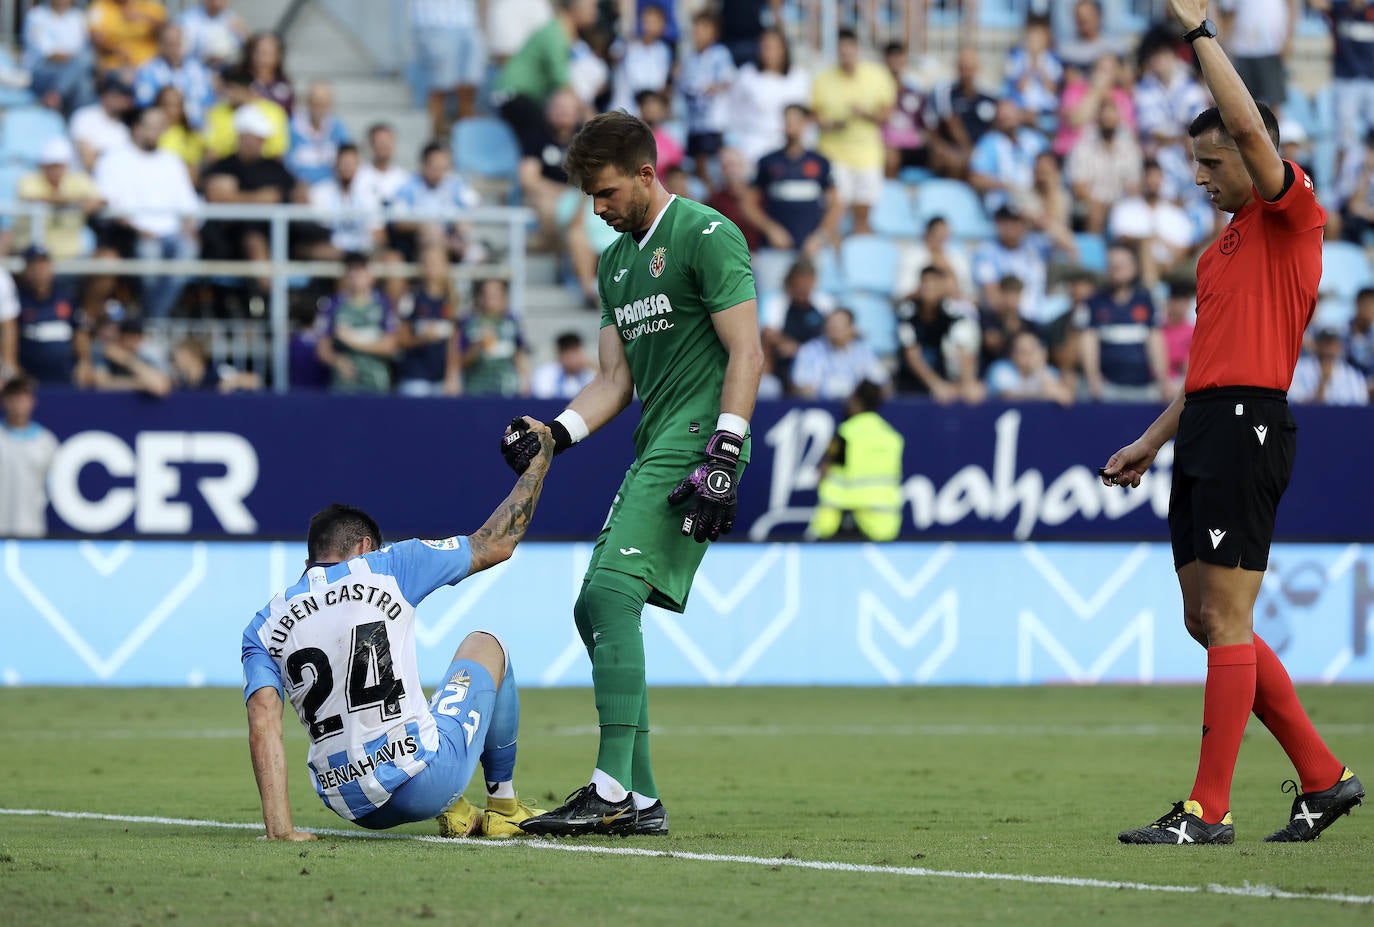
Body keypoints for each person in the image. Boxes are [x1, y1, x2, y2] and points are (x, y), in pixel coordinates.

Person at [1103, 0, 1364, 846]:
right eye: (1195, 163)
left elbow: (1251, 126)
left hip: (1252, 422)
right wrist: (1151, 438)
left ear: (1257, 158)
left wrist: (1200, 32)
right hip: (1211, 420)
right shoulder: (1218, 252)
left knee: (1226, 619)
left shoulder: (1294, 217)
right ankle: (1324, 779)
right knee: (1207, 620)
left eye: (1213, 162)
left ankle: (1206, 808)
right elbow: (1204, 368)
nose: (1202, 177)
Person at [498, 110, 763, 836]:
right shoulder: (615, 265)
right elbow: (613, 380)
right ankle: (639, 799)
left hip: (700, 439)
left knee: (610, 594)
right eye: (589, 196)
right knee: (595, 606)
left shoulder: (708, 235)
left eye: (608, 192)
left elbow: (747, 351)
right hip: (655, 442)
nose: (598, 208)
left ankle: (611, 789)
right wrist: (554, 432)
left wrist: (726, 452)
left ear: (648, 174)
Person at [241, 432, 558, 839]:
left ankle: (458, 811)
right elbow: (496, 543)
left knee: (411, 705)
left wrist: (281, 830)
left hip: (346, 802)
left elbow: (263, 720)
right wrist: (540, 462)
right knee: (487, 644)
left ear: (309, 562)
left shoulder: (264, 622)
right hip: (423, 784)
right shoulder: (390, 564)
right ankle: (504, 806)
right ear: (366, 546)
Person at [94, 105, 199, 319]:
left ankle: (150, 319)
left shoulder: (172, 161)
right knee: (150, 253)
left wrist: (189, 226)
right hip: (130, 233)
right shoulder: (113, 158)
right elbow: (107, 203)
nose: (156, 132)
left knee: (188, 250)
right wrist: (136, 229)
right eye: (151, 126)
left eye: (161, 127)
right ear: (136, 128)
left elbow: (188, 204)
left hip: (172, 233)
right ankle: (154, 321)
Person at [810, 28, 896, 236]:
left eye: (849, 49)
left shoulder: (877, 76)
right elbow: (815, 117)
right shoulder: (823, 79)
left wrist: (865, 113)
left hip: (867, 153)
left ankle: (859, 253)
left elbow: (886, 115)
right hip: (833, 153)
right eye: (842, 50)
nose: (846, 54)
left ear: (857, 49)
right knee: (835, 209)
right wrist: (834, 123)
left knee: (864, 211)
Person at [807, 380, 904, 542]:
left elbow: (823, 471)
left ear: (857, 401)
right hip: (883, 525)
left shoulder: (844, 433)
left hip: (843, 521)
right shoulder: (892, 437)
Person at [743, 104, 839, 263]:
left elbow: (836, 204)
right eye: (787, 120)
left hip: (811, 250)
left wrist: (820, 236)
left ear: (805, 123)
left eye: (795, 120)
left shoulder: (820, 162)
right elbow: (748, 204)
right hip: (775, 250)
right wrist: (771, 229)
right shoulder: (767, 161)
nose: (790, 125)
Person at [1080, 244, 1168, 402]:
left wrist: (1163, 379)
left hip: (1144, 387)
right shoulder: (1094, 302)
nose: (1116, 269)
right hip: (1107, 388)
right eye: (1112, 265)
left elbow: (1155, 340)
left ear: (1134, 268)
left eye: (1121, 265)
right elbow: (1089, 341)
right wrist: (1093, 378)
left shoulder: (1146, 300)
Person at [727, 26, 811, 174]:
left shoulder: (799, 77)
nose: (769, 52)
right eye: (765, 47)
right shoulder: (747, 75)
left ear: (784, 50)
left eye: (774, 47)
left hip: (789, 147)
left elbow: (804, 115)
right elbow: (734, 112)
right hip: (754, 147)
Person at [894, 264, 982, 402]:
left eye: (935, 284)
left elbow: (964, 350)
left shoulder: (954, 314)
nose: (930, 288)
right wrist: (935, 385)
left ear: (942, 287)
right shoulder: (907, 313)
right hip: (912, 383)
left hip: (945, 378)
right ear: (920, 286)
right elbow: (912, 356)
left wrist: (967, 383)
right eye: (926, 283)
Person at [316, 253, 397, 394]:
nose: (355, 276)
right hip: (344, 386)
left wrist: (352, 340)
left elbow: (390, 346)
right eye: (350, 271)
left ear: (369, 274)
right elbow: (322, 349)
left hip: (377, 383)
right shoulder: (333, 305)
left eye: (359, 271)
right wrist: (337, 361)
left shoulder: (383, 303)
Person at [16, 137, 103, 260]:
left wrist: (92, 203)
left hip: (72, 255)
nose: (55, 170)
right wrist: (73, 202)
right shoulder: (29, 180)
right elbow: (31, 198)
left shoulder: (78, 180)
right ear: (42, 166)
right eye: (51, 165)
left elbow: (100, 200)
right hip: (34, 257)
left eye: (59, 165)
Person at [758, 256, 835, 396]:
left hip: (818, 361)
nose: (803, 286)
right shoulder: (776, 301)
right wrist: (786, 343)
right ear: (791, 280)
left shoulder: (825, 302)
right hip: (785, 361)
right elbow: (768, 332)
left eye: (808, 281)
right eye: (800, 281)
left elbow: (833, 331)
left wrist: (803, 351)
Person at [411, 0, 486, 139]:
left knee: (469, 86)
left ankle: (467, 141)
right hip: (433, 22)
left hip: (468, 23)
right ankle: (433, 141)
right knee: (440, 87)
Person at [15, 245, 87, 386]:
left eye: (43, 264)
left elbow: (80, 330)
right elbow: (9, 336)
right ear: (26, 269)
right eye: (34, 265)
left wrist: (84, 361)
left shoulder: (67, 294)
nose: (39, 270)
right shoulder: (17, 299)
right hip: (30, 381)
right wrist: (18, 373)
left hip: (67, 376)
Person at [395, 246, 460, 397]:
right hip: (415, 377)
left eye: (436, 262)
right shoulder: (411, 298)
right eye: (428, 262)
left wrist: (452, 374)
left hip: (441, 379)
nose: (432, 267)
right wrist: (423, 338)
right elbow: (401, 339)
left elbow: (454, 343)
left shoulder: (452, 301)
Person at [679, 11, 735, 186]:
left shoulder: (720, 54)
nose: (698, 32)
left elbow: (727, 81)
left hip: (712, 122)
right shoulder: (689, 59)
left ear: (714, 32)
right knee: (696, 167)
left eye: (703, 28)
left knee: (709, 167)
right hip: (694, 124)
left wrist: (706, 89)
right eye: (696, 27)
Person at [0, 376, 59, 538]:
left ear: (32, 401)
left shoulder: (46, 441)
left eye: (23, 398)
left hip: (31, 531)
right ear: (5, 401)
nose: (18, 403)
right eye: (13, 398)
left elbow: (53, 488)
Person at [791, 307, 889, 400]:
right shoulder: (810, 351)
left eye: (839, 324)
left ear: (851, 328)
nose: (833, 327)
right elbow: (802, 387)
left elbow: (881, 384)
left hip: (856, 408)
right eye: (831, 323)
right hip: (820, 409)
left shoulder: (863, 352)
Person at [1216, 0, 1298, 111]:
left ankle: (1273, 129)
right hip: (1241, 48)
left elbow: (1292, 4)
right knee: (1242, 104)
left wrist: (1288, 38)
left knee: (1274, 104)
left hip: (1272, 46)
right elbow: (1228, 13)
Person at [133, 21, 214, 129]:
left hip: (195, 130)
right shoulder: (147, 70)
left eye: (177, 43)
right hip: (163, 130)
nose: (174, 48)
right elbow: (144, 103)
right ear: (160, 45)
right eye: (169, 43)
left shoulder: (198, 70)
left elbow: (208, 100)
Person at [202, 65, 289, 160]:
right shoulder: (217, 112)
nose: (228, 94)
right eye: (226, 89)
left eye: (232, 89)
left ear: (246, 89)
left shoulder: (273, 111)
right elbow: (211, 152)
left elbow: (278, 152)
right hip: (227, 167)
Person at [460, 278, 529, 397]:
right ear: (480, 297)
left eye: (496, 295)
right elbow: (460, 361)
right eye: (487, 295)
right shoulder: (469, 323)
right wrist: (478, 346)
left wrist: (525, 379)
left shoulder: (512, 323)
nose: (491, 299)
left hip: (508, 389)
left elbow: (519, 353)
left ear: (504, 297)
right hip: (477, 389)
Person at [23, 0, 94, 115]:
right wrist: (74, 60)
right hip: (42, 70)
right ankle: (77, 122)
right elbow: (50, 55)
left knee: (83, 83)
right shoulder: (36, 16)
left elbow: (82, 50)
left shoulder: (78, 17)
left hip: (71, 70)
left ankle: (56, 94)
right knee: (83, 71)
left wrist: (74, 61)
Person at [985, 329, 1074, 404]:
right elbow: (1007, 396)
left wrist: (1041, 369)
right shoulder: (1001, 369)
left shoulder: (1048, 371)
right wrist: (1044, 395)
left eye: (1032, 351)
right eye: (1023, 352)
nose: (1028, 356)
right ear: (1013, 355)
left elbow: (1065, 397)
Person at [69, 73, 134, 172]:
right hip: (81, 180)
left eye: (125, 96)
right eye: (116, 95)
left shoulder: (124, 129)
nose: (122, 100)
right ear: (104, 96)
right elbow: (88, 161)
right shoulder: (85, 116)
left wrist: (100, 153)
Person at [1289, 328, 1370, 404]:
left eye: (1332, 343)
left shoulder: (1351, 375)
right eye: (1325, 343)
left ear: (1339, 346)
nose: (1329, 348)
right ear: (1317, 345)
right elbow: (1295, 403)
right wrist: (1323, 382)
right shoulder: (1299, 369)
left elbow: (1360, 405)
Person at [87, 0, 166, 76]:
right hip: (114, 67)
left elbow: (167, 29)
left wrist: (143, 17)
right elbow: (96, 39)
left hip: (149, 65)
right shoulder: (99, 7)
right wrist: (116, 50)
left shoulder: (146, 3)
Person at [355, 123, 410, 208]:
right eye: (380, 142)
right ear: (371, 145)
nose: (384, 146)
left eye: (388, 141)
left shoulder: (403, 178)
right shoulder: (358, 175)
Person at [179, 0, 246, 69]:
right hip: (197, 71)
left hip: (228, 71)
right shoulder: (188, 20)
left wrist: (244, 34)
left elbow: (243, 51)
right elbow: (182, 55)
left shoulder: (232, 18)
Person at [531, 331, 595, 399]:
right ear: (560, 355)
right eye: (568, 355)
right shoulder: (545, 374)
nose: (573, 359)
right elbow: (543, 399)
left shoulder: (590, 375)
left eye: (576, 353)